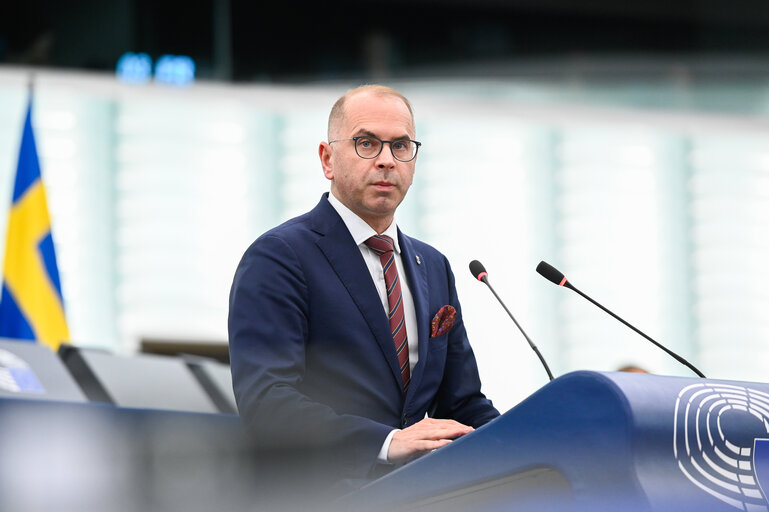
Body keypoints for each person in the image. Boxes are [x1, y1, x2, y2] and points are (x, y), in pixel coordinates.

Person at [228, 85, 499, 486]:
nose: (387, 161)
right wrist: (387, 443)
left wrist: (525, 442)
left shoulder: (434, 266)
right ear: (327, 159)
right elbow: (267, 401)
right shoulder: (280, 256)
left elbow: (462, 404)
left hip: (419, 495)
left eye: (401, 146)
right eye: (367, 143)